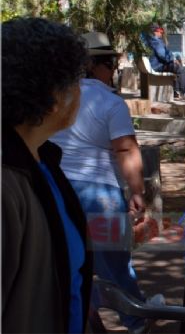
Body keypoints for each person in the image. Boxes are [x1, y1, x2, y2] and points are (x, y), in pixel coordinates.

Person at [50, 31, 163, 333]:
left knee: (73, 264)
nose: (112, 70)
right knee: (115, 266)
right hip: (99, 193)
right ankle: (136, 320)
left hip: (58, 191)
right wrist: (137, 191)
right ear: (93, 65)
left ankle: (85, 320)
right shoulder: (110, 103)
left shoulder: (56, 97)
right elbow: (126, 148)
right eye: (110, 64)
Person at [2, 17, 93, 333]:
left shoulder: (43, 162)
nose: (81, 92)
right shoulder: (6, 183)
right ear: (56, 96)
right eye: (76, 81)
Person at [143, 24, 185, 98]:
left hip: (154, 64)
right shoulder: (156, 41)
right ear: (155, 32)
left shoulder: (149, 40)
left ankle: (176, 91)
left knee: (176, 68)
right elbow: (162, 55)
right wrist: (172, 59)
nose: (162, 33)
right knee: (180, 69)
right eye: (160, 31)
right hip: (158, 65)